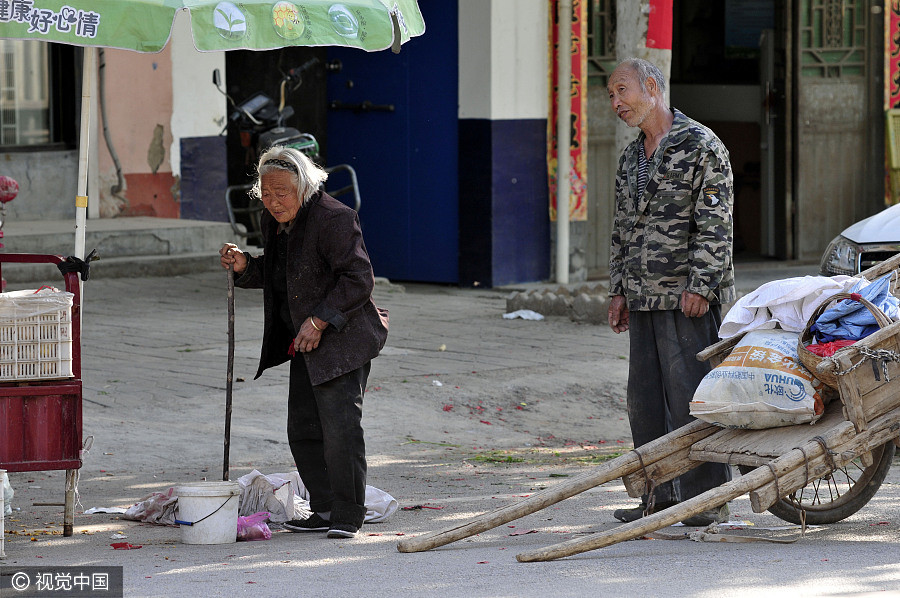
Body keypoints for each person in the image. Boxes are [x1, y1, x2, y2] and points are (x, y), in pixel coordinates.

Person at [220, 145, 389, 539]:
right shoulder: (275, 221)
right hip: (306, 339)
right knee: (304, 429)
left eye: (283, 193)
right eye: (267, 193)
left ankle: (348, 515)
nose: (274, 201)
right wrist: (247, 266)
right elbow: (283, 273)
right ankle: (326, 508)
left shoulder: (334, 218)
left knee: (341, 428)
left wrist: (318, 320)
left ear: (305, 186)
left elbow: (358, 279)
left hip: (343, 337)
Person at [606, 58, 735, 526]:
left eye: (622, 91)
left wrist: (702, 283)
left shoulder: (701, 146)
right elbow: (621, 229)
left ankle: (706, 500)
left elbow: (715, 224)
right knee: (644, 404)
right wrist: (617, 291)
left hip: (686, 298)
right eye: (612, 96)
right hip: (641, 296)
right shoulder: (631, 157)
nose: (617, 103)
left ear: (653, 87)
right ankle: (656, 497)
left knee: (693, 400)